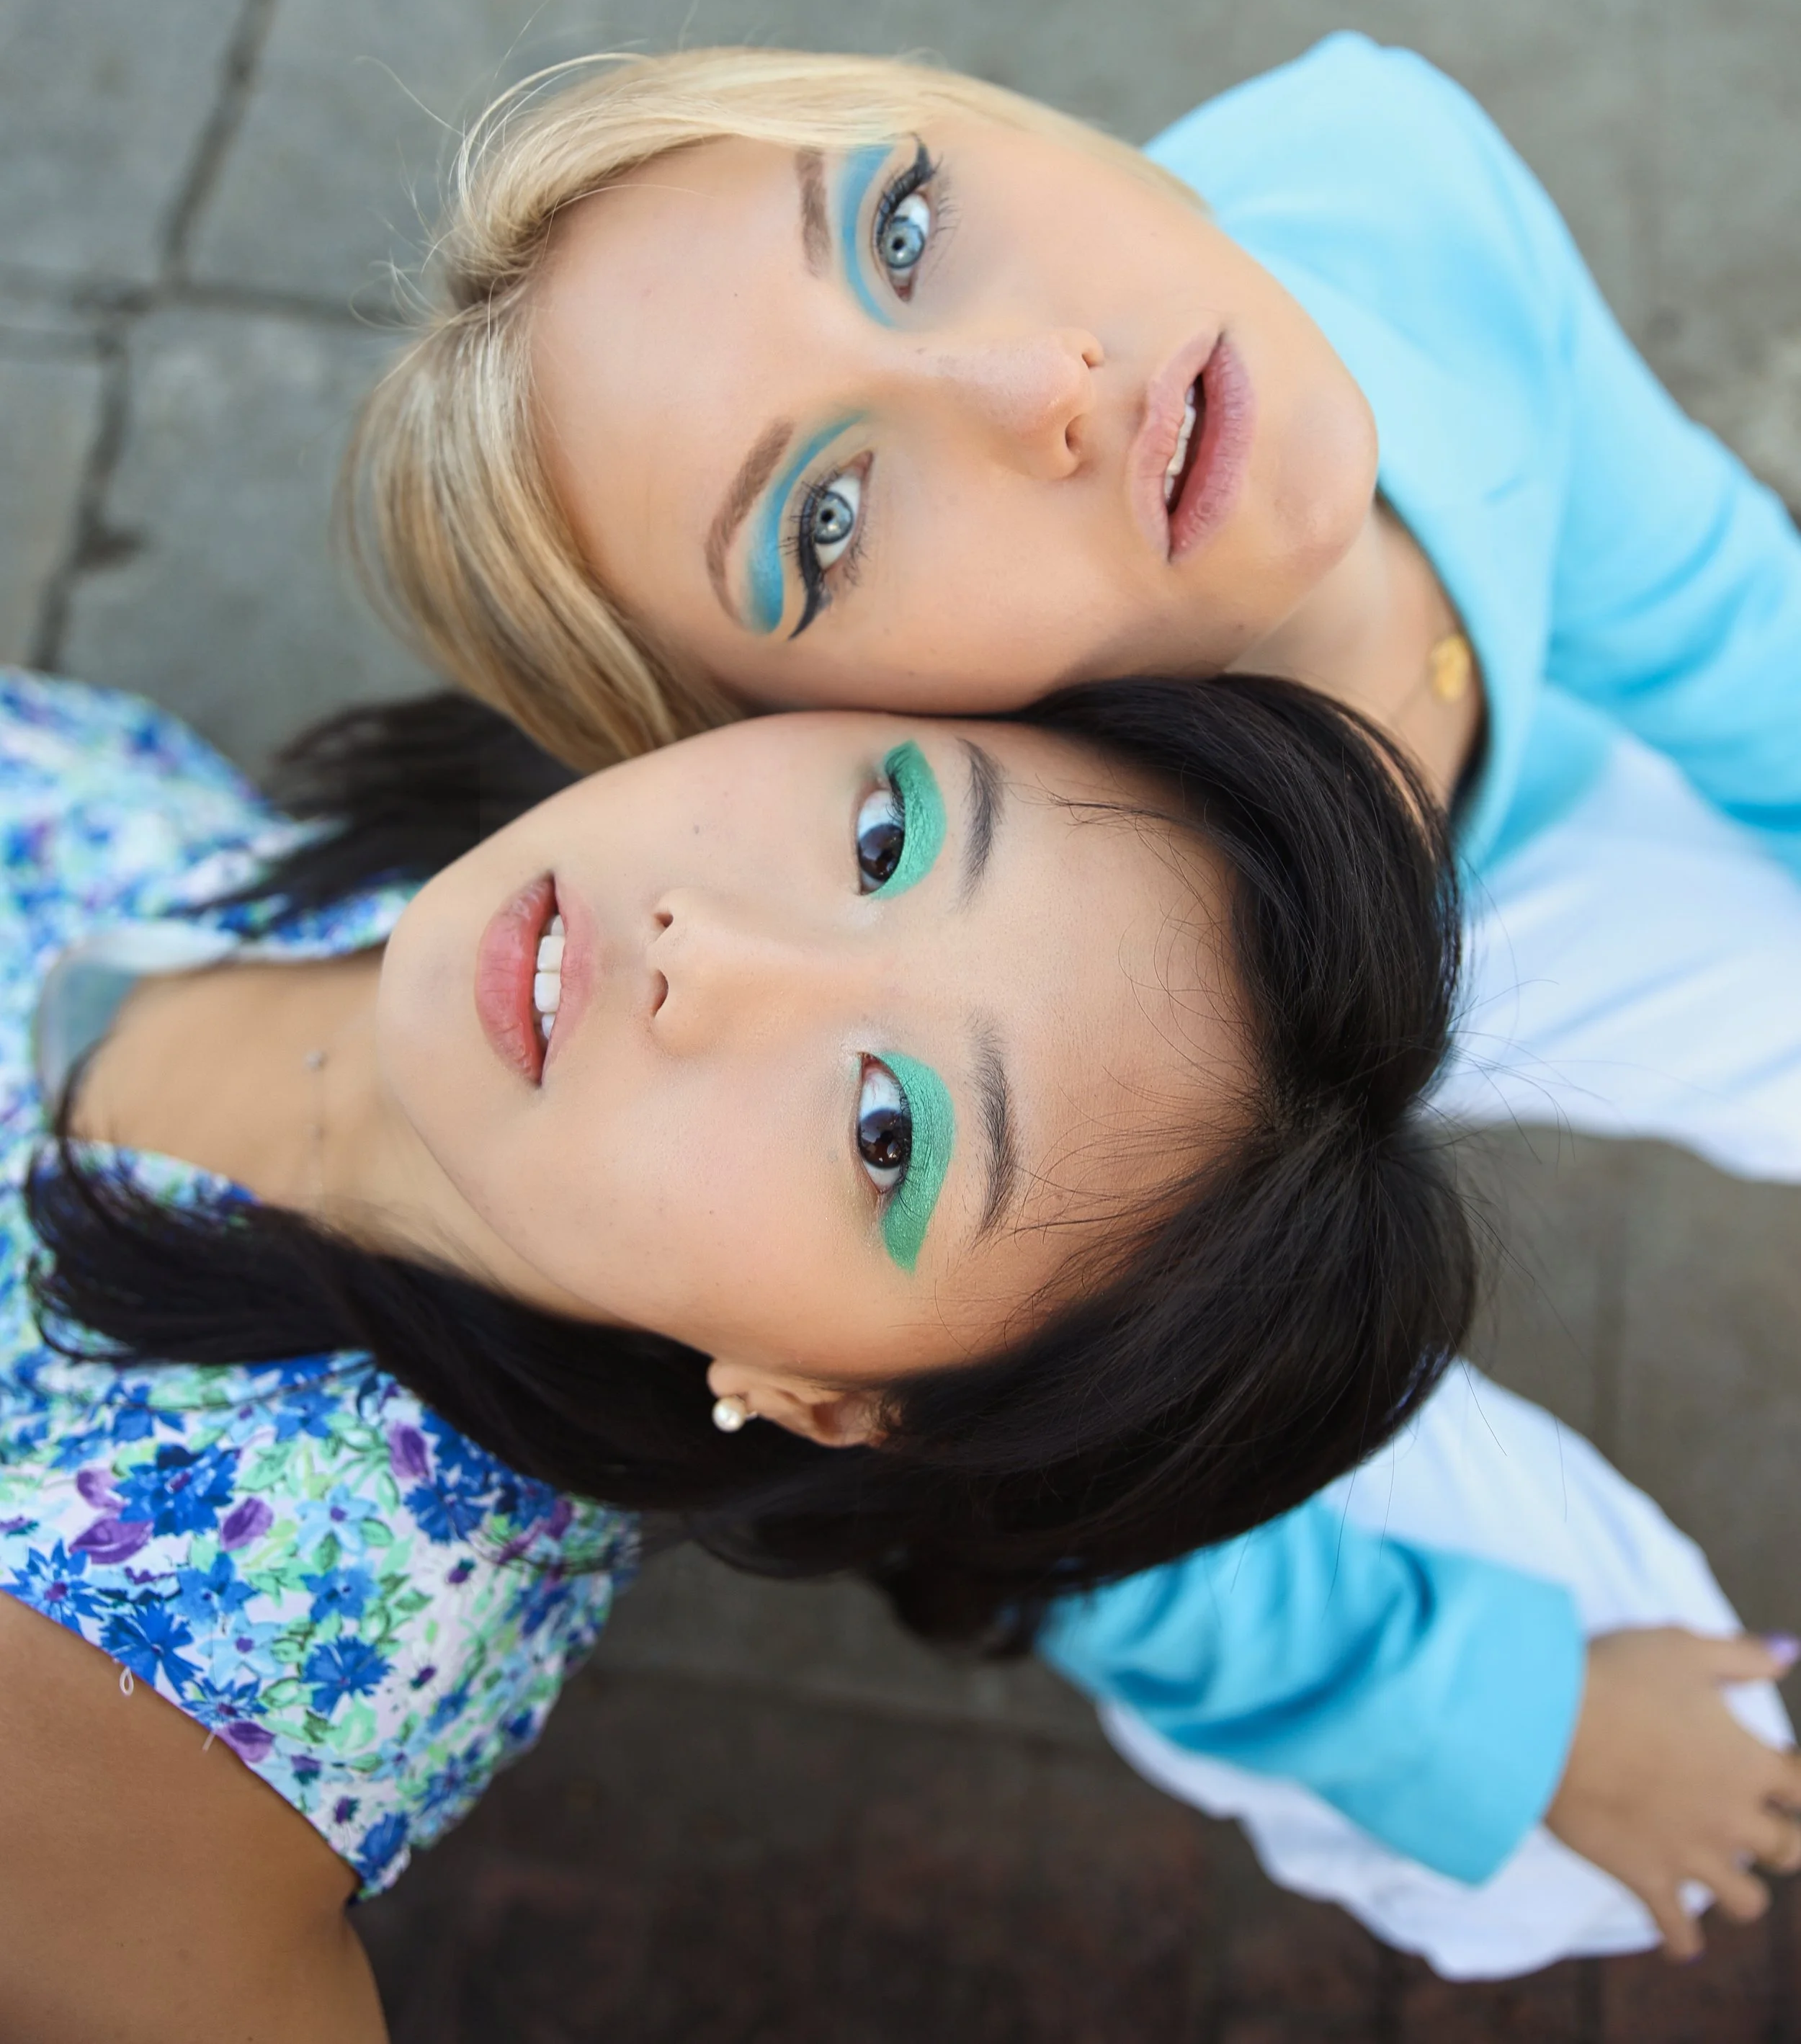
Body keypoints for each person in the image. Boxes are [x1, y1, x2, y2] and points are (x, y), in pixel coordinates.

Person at [347, 29, 1801, 1975]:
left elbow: (1710, 608)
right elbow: (1083, 1483)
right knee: (1622, 1791)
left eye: (903, 218)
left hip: (1514, 852)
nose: (1041, 381)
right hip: (1166, 1271)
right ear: (800, 738)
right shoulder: (961, 976)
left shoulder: (1381, 189)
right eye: (829, 520)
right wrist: (1485, 1707)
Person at [0, 657, 1467, 2036]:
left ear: (824, 1400)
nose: (705, 946)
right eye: (887, 836)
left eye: (885, 1135)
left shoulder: (219, 1640)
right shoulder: (486, 842)